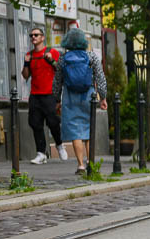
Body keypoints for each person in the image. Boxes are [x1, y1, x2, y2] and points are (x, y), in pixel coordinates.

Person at [52, 27, 108, 175]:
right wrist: (103, 97)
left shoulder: (63, 59)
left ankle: (81, 165)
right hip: (88, 96)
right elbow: (100, 78)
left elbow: (57, 81)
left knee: (76, 132)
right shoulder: (91, 57)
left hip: (70, 97)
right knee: (88, 129)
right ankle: (91, 164)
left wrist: (57, 100)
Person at [21, 28, 64, 164]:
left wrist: (51, 61)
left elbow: (60, 70)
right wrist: (26, 63)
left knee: (53, 122)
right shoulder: (30, 55)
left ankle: (59, 144)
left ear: (42, 37)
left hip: (50, 94)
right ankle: (41, 153)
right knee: (35, 124)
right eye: (31, 35)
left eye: (36, 35)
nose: (33, 37)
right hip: (35, 95)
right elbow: (25, 75)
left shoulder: (52, 52)